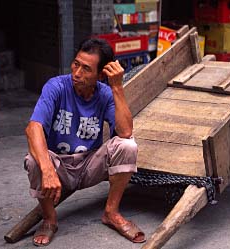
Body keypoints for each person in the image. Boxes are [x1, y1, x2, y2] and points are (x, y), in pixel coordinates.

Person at [24, 38, 145, 246]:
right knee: (34, 160)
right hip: (58, 166)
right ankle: (50, 219)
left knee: (128, 146)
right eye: (76, 64)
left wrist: (116, 87)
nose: (77, 73)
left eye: (86, 69)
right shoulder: (56, 86)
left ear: (100, 75)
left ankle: (111, 212)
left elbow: (125, 132)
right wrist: (48, 169)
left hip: (89, 165)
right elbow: (33, 128)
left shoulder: (106, 93)